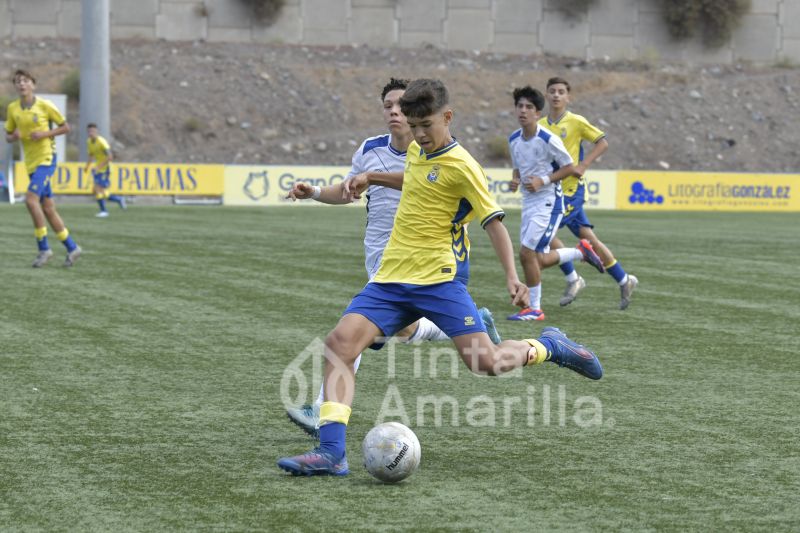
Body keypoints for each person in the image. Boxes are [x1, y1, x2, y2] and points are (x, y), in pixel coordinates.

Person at [277, 79, 603, 477]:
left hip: (438, 281)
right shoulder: (417, 149)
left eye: (425, 125)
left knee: (486, 363)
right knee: (340, 343)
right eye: (413, 127)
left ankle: (549, 345)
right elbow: (415, 179)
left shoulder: (464, 165)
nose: (418, 135)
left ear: (447, 117)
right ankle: (332, 453)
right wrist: (373, 178)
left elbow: (494, 222)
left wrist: (512, 277)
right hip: (390, 278)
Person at [284, 78, 501, 437]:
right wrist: (316, 192)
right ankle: (465, 326)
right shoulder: (371, 149)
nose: (395, 111)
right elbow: (350, 191)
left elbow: (444, 192)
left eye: (402, 105)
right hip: (378, 253)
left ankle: (322, 410)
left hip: (418, 258)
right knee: (397, 329)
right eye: (388, 105)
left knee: (353, 337)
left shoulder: (438, 157)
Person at [505, 86, 605, 322]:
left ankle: (535, 308)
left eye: (529, 107)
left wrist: (544, 180)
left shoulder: (547, 139)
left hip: (549, 202)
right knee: (536, 259)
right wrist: (515, 180)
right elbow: (518, 166)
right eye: (520, 106)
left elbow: (570, 166)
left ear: (538, 113)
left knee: (526, 254)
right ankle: (580, 252)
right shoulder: (513, 139)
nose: (523, 110)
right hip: (529, 203)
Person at [540, 76, 638, 309]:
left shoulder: (575, 122)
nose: (556, 95)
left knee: (547, 232)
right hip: (553, 191)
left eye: (561, 91)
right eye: (552, 91)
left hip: (572, 191)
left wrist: (583, 166)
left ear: (568, 97)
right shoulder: (541, 125)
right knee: (589, 238)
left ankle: (574, 279)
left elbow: (602, 142)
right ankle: (624, 279)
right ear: (546, 94)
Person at [4, 69, 81, 267]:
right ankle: (72, 247)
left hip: (46, 159)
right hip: (30, 162)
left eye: (26, 81)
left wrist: (45, 134)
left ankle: (44, 248)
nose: (22, 84)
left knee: (31, 200)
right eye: (18, 81)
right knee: (47, 208)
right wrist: (14, 137)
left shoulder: (45, 105)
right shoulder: (13, 108)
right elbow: (8, 135)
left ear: (33, 85)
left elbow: (65, 127)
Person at [85, 123, 125, 217]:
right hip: (97, 169)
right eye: (89, 131)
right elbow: (91, 155)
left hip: (105, 169)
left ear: (96, 131)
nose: (91, 133)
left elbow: (110, 156)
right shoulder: (89, 142)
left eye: (93, 131)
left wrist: (99, 167)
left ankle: (104, 211)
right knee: (97, 191)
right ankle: (118, 199)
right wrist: (87, 166)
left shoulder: (102, 142)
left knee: (98, 189)